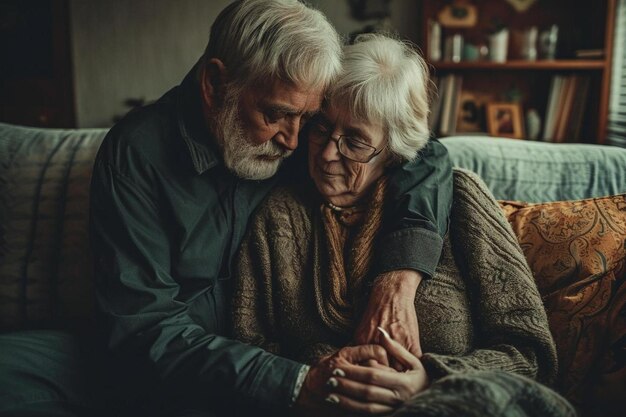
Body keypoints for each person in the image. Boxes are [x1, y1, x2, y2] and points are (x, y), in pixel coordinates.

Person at [87, 1, 453, 416]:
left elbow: (426, 154)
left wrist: (397, 281)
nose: (294, 143)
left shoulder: (298, 133)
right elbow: (142, 329)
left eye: (308, 119)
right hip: (182, 380)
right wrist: (298, 382)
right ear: (214, 83)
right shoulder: (136, 156)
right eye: (277, 115)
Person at [232, 34, 576, 416]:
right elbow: (247, 345)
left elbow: (532, 354)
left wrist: (431, 380)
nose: (329, 153)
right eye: (322, 128)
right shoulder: (276, 215)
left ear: (393, 151)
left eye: (356, 142)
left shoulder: (460, 200)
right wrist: (326, 373)